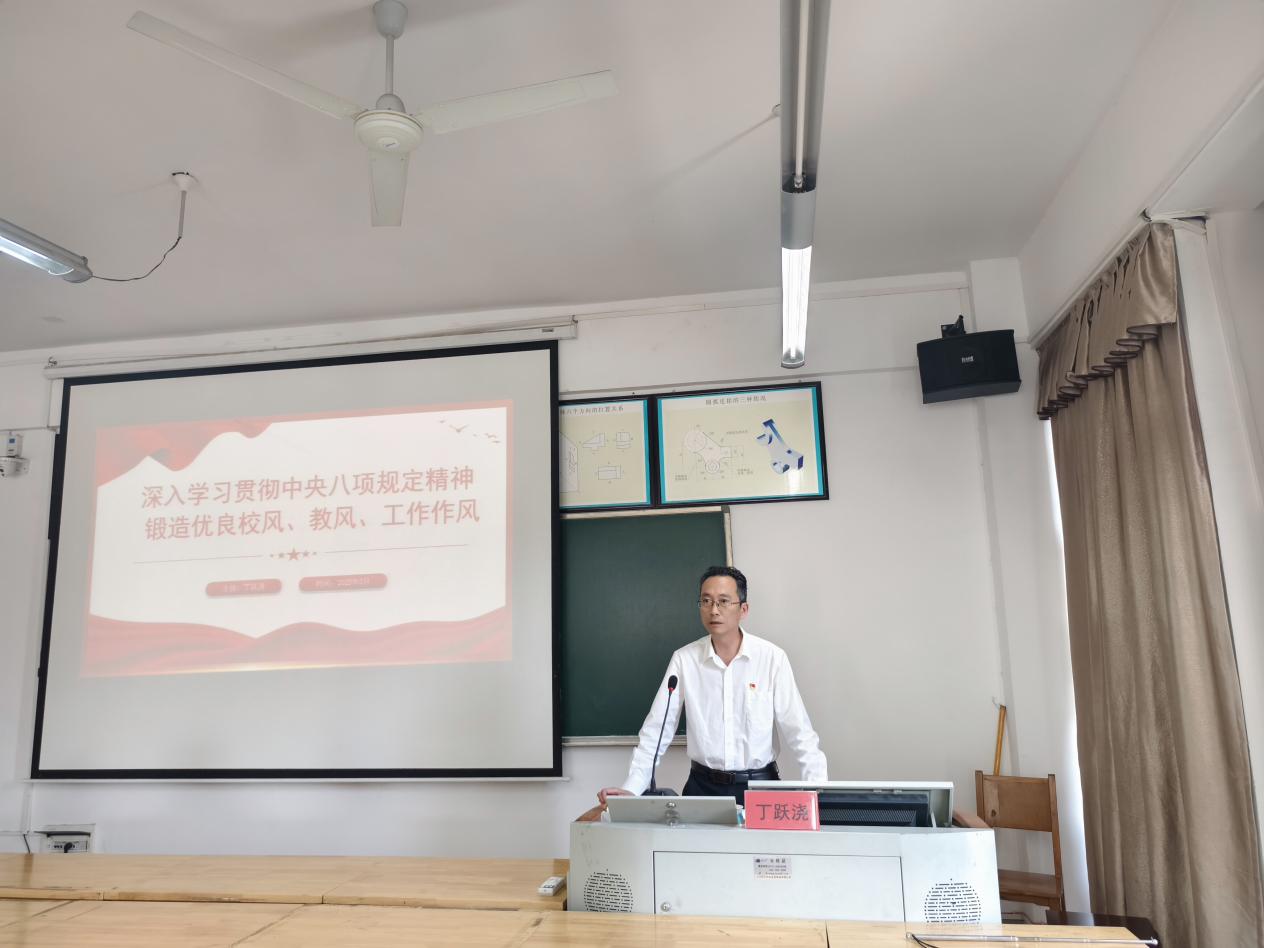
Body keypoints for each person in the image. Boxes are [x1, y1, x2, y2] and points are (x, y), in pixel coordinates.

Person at [598, 565, 827, 806]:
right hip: (702, 787)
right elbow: (656, 730)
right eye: (706, 601)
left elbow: (799, 732)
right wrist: (632, 788)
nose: (714, 610)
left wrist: (819, 792)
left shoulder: (771, 658)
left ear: (743, 609)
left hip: (760, 787)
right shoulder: (684, 660)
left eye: (723, 601)